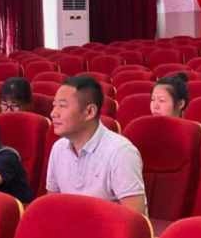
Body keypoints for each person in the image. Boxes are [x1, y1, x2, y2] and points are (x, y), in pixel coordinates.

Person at [47, 76, 146, 214]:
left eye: (62, 106)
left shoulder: (121, 152)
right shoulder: (58, 148)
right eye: (54, 105)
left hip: (108, 227)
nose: (53, 113)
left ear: (90, 112)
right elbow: (53, 206)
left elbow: (135, 218)